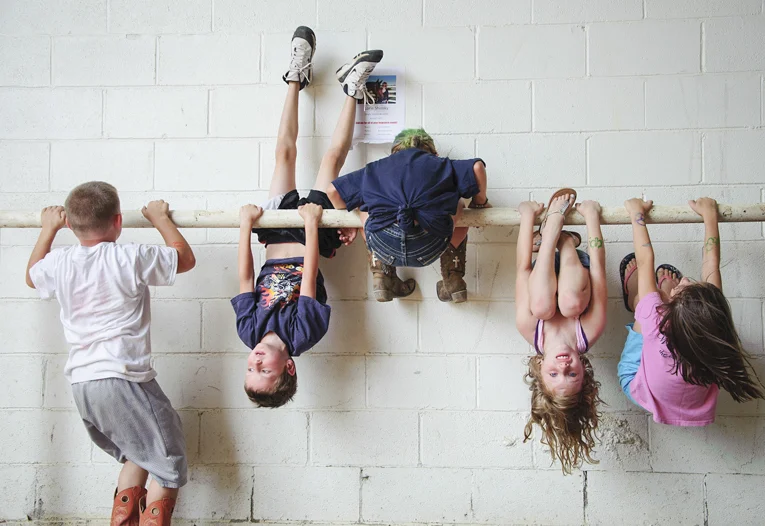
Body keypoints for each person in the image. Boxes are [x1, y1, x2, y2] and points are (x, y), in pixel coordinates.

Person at [25, 183, 196, 524]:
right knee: (169, 462)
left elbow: (32, 277)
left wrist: (47, 230)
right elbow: (184, 258)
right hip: (124, 378)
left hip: (84, 386)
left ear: (70, 226)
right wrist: (160, 218)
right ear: (119, 222)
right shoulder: (129, 256)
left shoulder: (59, 262)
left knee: (139, 452)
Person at [232, 26, 381, 407]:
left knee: (284, 153)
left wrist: (247, 226)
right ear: (289, 367)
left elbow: (246, 276)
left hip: (274, 233)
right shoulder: (302, 335)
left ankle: (296, 75)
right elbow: (309, 274)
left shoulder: (248, 330)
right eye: (264, 371)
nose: (256, 361)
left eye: (250, 369)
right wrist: (314, 226)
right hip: (312, 241)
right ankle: (352, 91)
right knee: (332, 161)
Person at [618, 197, 764, 426]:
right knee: (655, 301)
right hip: (693, 408)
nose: (685, 278)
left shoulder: (655, 319)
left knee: (644, 308)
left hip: (640, 390)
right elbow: (711, 265)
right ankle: (661, 291)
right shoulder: (712, 314)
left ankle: (634, 297)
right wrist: (709, 216)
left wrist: (636, 214)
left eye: (682, 286)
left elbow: (646, 261)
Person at [326, 128, 491, 303]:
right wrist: (479, 203)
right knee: (457, 200)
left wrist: (348, 219)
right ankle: (453, 278)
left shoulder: (376, 168)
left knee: (364, 202)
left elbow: (332, 191)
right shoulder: (441, 164)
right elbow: (477, 168)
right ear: (434, 153)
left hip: (384, 246)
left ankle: (381, 274)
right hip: (429, 246)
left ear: (393, 154)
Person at [515, 190, 607, 474]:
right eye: (572, 374)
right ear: (584, 371)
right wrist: (592, 217)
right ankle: (565, 242)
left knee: (542, 306)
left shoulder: (530, 329)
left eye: (554, 374)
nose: (564, 366)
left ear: (540, 368)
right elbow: (600, 272)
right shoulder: (589, 331)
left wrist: (528, 217)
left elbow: (522, 269)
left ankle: (550, 232)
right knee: (570, 304)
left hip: (540, 266)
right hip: (576, 268)